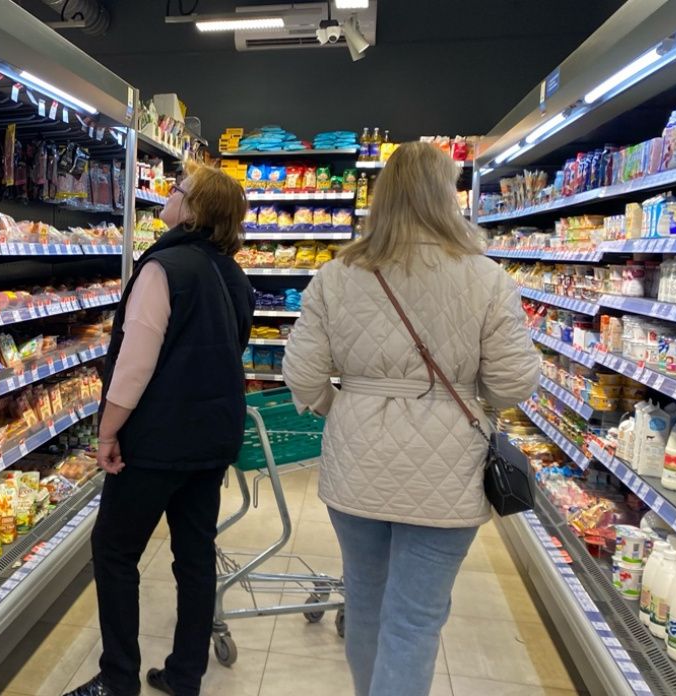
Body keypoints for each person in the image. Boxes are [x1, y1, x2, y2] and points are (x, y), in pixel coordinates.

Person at [281, 141, 540, 696]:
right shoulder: (486, 277)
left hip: (356, 466)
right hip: (448, 473)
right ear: (445, 196)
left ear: (383, 197)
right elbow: (512, 383)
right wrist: (467, 397)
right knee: (415, 621)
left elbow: (301, 374)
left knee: (366, 604)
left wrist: (341, 407)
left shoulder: (337, 274)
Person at [63, 163, 254, 696]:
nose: (170, 193)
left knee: (115, 551)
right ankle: (185, 676)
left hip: (156, 442)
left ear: (194, 209)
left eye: (179, 189)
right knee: (195, 557)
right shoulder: (233, 275)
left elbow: (135, 364)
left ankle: (118, 679)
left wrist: (107, 432)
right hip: (212, 438)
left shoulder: (163, 268)